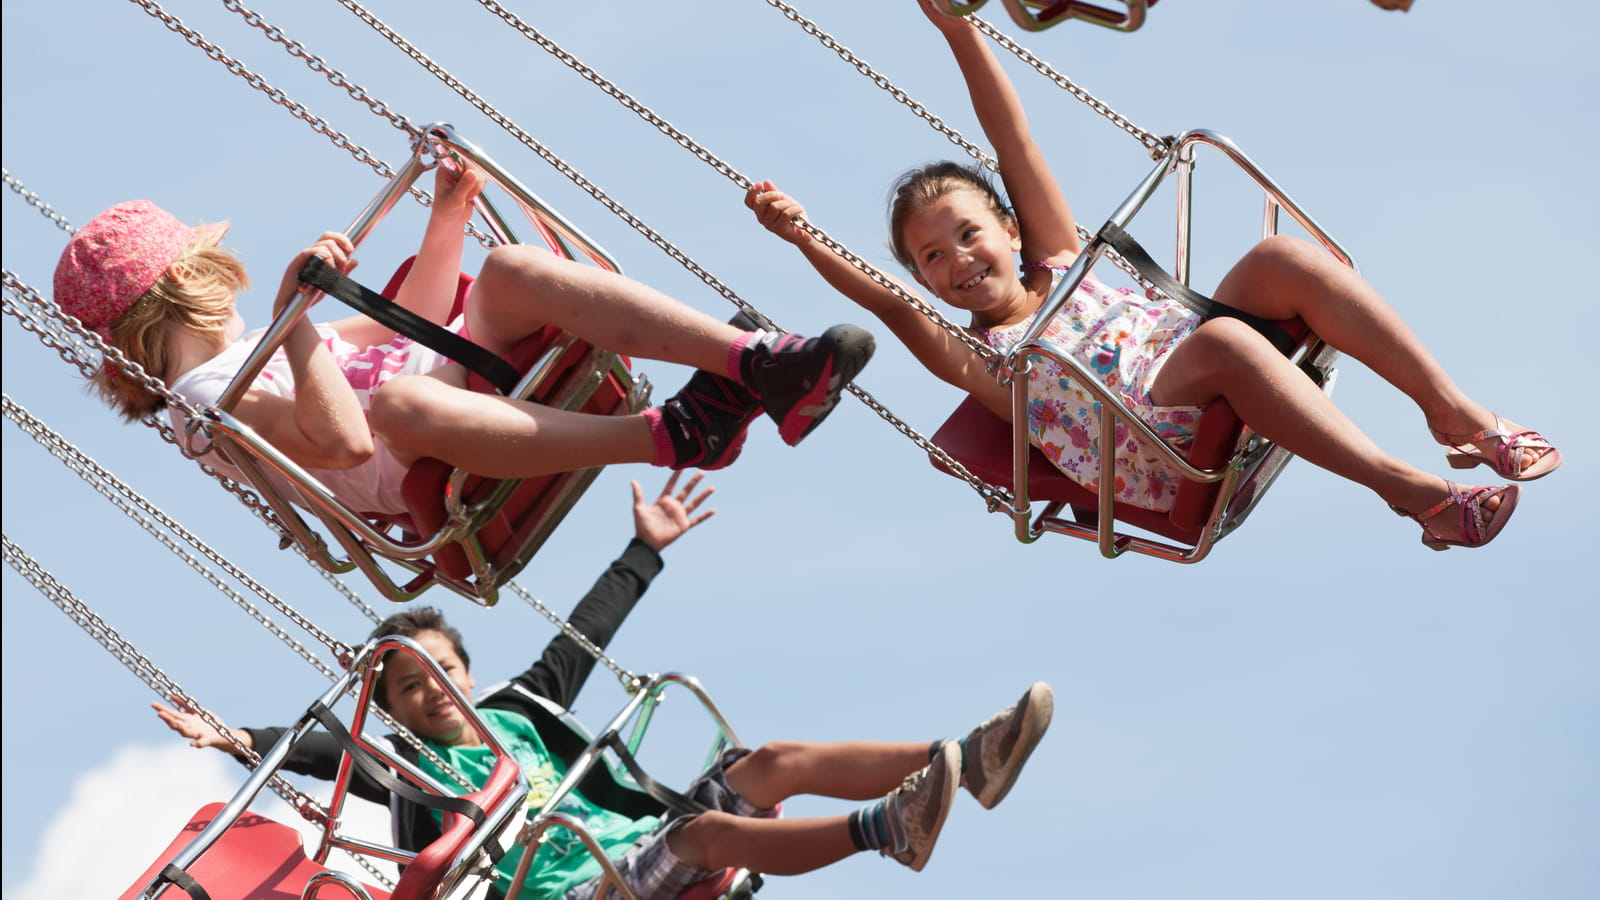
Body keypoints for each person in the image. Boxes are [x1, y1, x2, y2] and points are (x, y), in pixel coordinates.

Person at [745, 0, 1560, 551]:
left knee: (1281, 260)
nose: (957, 260)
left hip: (1196, 355)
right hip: (1150, 441)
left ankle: (1458, 417)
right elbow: (883, 301)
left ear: (1009, 227)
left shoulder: (1059, 253)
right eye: (933, 258)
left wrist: (957, 26)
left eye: (968, 234)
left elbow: (1015, 141)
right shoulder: (985, 357)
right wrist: (802, 237)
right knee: (1228, 347)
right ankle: (1414, 495)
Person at [156, 472, 1055, 899]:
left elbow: (584, 634)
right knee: (706, 834)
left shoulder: (519, 708)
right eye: (404, 687)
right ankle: (886, 828)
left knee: (768, 761)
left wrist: (645, 550)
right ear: (389, 709)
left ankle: (968, 761)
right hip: (588, 890)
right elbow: (324, 752)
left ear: (465, 672)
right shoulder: (407, 770)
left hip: (637, 836)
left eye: (440, 670)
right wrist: (233, 735)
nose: (431, 691)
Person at [53, 162, 874, 518]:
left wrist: (445, 218)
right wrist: (294, 329)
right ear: (188, 287)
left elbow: (401, 320)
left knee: (509, 267)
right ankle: (674, 436)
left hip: (439, 372)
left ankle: (755, 363)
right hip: (406, 449)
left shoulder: (263, 346)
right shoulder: (204, 407)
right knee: (405, 402)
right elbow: (341, 443)